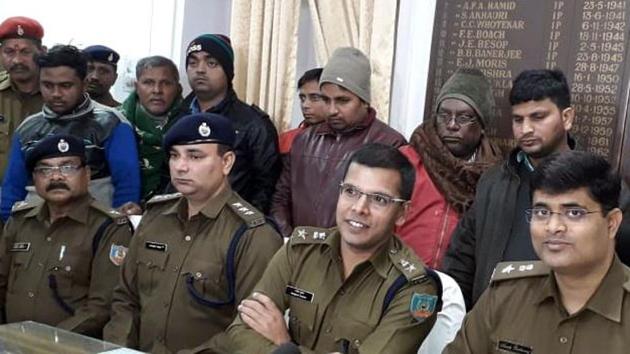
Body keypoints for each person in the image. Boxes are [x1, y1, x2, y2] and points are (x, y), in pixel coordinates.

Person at [219, 144, 438, 353]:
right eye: (351, 191)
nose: (359, 208)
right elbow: (240, 332)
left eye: (379, 199)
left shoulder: (415, 289)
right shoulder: (300, 250)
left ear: (402, 213)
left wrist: (285, 346)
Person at [103, 113, 283, 353]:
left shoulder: (253, 235)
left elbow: (249, 329)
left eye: (195, 156)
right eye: (174, 156)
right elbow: (126, 298)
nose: (180, 166)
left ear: (227, 162)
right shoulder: (155, 217)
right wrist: (120, 349)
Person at [444, 151, 628, 353]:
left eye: (574, 213)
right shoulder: (506, 295)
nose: (553, 226)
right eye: (542, 212)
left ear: (612, 223)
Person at [0, 134, 132, 337]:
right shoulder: (20, 220)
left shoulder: (109, 227)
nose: (56, 177)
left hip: (70, 346)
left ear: (87, 174)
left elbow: (101, 307)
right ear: (34, 179)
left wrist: (48, 341)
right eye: (45, 170)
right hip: (11, 343)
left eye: (67, 167)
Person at [271, 47, 407, 237]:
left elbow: (390, 213)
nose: (332, 110)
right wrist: (290, 241)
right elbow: (281, 198)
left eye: (343, 101)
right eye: (326, 100)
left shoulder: (390, 144)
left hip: (354, 258)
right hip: (300, 253)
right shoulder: (304, 140)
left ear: (365, 101)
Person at [0, 45, 141, 221]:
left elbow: (127, 189)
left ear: (84, 83)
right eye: (47, 85)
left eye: (65, 86)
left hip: (93, 230)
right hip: (33, 231)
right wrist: (10, 230)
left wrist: (115, 230)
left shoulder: (111, 123)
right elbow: (11, 190)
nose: (56, 94)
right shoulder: (27, 128)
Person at [396, 68, 502, 268]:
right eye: (444, 115)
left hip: (453, 288)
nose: (452, 125)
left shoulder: (496, 177)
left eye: (463, 118)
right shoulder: (404, 161)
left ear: (482, 125)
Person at [178, 34, 279, 213]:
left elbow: (266, 187)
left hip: (230, 226)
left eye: (211, 63)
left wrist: (246, 229)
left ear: (228, 71)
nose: (200, 70)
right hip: (179, 220)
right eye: (193, 63)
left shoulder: (253, 123)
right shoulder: (178, 117)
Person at [121, 55, 183, 201]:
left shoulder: (190, 125)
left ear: (178, 88)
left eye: (166, 83)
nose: (157, 90)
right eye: (148, 83)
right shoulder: (114, 122)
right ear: (136, 87)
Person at [0, 16, 45, 183]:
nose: (17, 60)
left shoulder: (58, 95)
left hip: (46, 200)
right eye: (9, 52)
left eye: (25, 52)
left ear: (42, 52)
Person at [278, 68, 326, 155]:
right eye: (302, 98)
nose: (305, 105)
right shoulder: (287, 139)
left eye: (314, 98)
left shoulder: (345, 141)